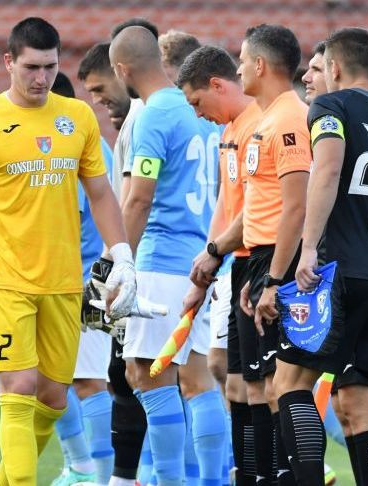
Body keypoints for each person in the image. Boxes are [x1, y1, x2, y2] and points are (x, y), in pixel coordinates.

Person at [0, 17, 136, 486]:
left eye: (50, 67)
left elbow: (102, 195)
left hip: (64, 279)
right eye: (31, 67)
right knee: (19, 387)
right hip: (2, 278)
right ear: (9, 62)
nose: (41, 78)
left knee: (53, 397)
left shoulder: (78, 117)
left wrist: (123, 256)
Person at [111, 25, 225, 486]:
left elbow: (138, 199)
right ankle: (213, 481)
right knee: (198, 379)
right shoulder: (199, 108)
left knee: (147, 375)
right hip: (202, 260)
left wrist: (118, 262)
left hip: (161, 259)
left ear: (122, 70)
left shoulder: (152, 115)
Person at [286, 27, 368, 486]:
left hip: (345, 271)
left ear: (332, 67)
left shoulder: (329, 107)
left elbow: (328, 169)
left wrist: (308, 247)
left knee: (290, 385)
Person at [177, 45, 264, 486]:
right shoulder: (229, 131)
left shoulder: (261, 125)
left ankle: (274, 472)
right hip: (237, 268)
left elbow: (262, 207)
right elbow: (227, 209)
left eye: (196, 102)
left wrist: (213, 253)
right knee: (231, 382)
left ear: (216, 85)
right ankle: (245, 474)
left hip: (265, 266)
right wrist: (208, 265)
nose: (196, 114)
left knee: (266, 389)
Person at [231, 24, 311, 485]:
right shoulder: (267, 117)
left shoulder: (286, 120)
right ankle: (266, 476)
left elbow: (296, 205)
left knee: (287, 385)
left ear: (260, 65)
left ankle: (292, 475)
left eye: (242, 60)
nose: (239, 67)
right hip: (260, 260)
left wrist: (275, 280)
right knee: (262, 384)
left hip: (279, 263)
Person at [77, 39, 147, 486]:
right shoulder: (130, 128)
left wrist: (105, 269)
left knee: (127, 379)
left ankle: (113, 475)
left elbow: (132, 204)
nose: (99, 103)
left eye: (101, 90)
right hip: (136, 264)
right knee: (125, 377)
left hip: (139, 266)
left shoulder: (146, 119)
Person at [49, 71, 116, 486]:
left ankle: (93, 472)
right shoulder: (94, 141)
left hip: (83, 280)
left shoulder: (69, 143)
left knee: (88, 380)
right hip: (78, 277)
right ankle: (82, 467)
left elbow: (65, 218)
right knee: (57, 381)